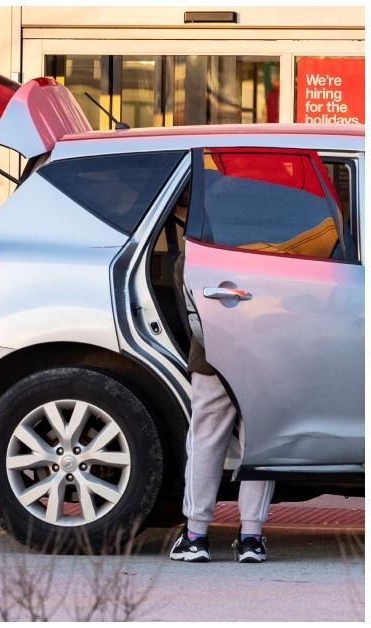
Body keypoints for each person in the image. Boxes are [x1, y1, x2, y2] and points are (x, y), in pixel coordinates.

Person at [167, 199, 273, 563]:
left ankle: (196, 535)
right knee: (259, 445)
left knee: (205, 442)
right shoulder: (274, 256)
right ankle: (251, 538)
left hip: (210, 359)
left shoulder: (196, 254)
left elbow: (186, 308)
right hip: (263, 358)